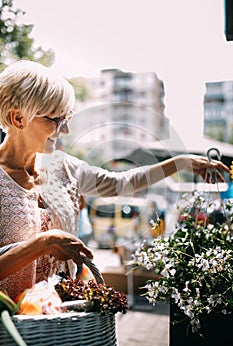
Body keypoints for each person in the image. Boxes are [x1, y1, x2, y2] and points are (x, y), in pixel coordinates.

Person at [0, 60, 229, 300]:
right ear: (18, 119)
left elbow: (121, 184)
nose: (64, 130)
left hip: (60, 320)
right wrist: (43, 244)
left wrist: (180, 163)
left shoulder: (63, 167)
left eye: (66, 119)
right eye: (55, 120)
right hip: (12, 326)